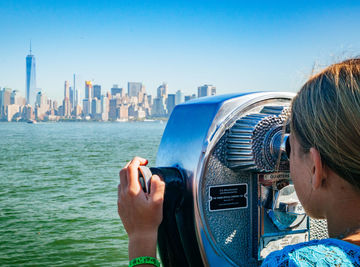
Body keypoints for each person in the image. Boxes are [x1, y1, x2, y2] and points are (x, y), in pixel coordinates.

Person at [118, 58, 360, 266]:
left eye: (289, 148)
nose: (282, 163)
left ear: (316, 168)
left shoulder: (295, 262)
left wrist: (142, 236)